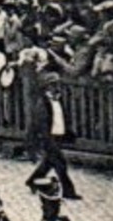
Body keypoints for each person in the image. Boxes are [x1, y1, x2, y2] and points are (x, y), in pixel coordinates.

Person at [26, 72, 81, 200]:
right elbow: (42, 124)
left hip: (58, 134)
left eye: (57, 84)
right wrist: (46, 139)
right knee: (60, 163)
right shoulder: (42, 103)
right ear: (46, 87)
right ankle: (68, 191)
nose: (56, 87)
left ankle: (32, 181)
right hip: (48, 137)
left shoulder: (58, 99)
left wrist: (67, 131)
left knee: (49, 162)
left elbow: (62, 116)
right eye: (53, 85)